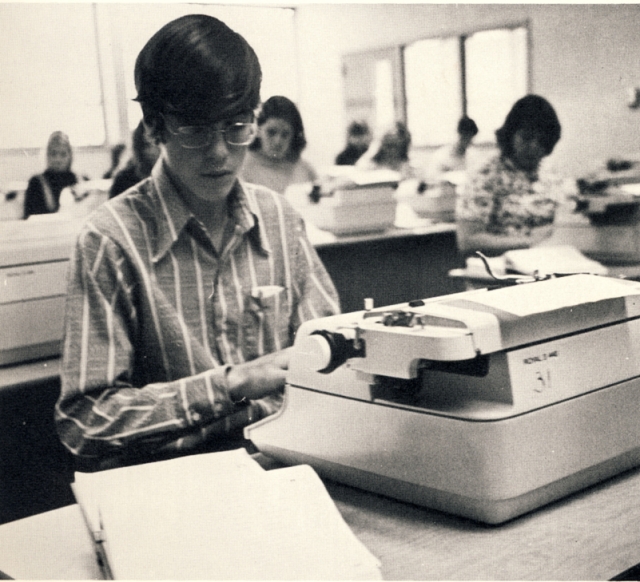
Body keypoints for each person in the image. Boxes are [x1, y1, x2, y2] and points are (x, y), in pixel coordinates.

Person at [55, 14, 340, 471]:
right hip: (174, 488)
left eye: (236, 126)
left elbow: (333, 363)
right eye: (195, 129)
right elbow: (85, 423)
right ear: (154, 128)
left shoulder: (281, 221)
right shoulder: (110, 240)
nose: (220, 152)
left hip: (288, 467)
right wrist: (229, 384)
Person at [455, 94, 562, 258]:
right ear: (510, 134)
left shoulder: (550, 173)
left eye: (542, 140)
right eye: (527, 137)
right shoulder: (486, 174)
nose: (534, 146)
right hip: (499, 273)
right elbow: (468, 241)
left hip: (548, 263)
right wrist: (531, 241)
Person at [241, 95, 317, 194]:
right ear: (258, 130)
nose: (277, 141)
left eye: (285, 134)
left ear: (294, 136)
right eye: (271, 132)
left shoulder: (305, 170)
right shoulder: (242, 167)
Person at [24, 131, 81, 218]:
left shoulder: (78, 180)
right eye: (53, 154)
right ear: (46, 155)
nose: (58, 159)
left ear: (70, 156)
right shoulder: (36, 183)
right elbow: (29, 218)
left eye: (63, 154)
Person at [109, 120, 160, 198]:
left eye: (156, 144)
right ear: (138, 147)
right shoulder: (124, 178)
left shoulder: (172, 176)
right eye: (146, 145)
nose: (151, 151)